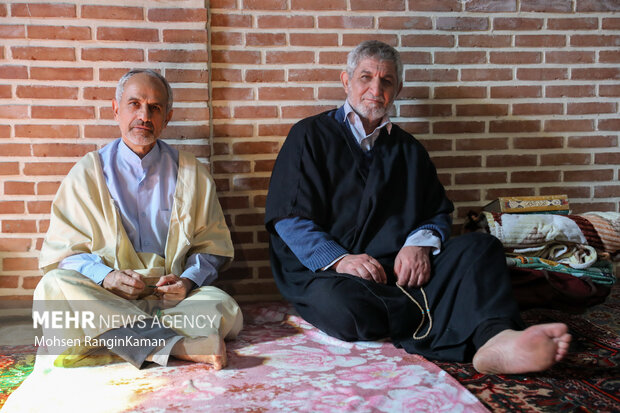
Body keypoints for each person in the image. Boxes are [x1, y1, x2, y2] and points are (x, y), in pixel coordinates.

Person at [265, 40, 571, 374]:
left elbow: (436, 211)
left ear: (398, 89)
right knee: (344, 309)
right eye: (365, 77)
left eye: (387, 81)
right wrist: (341, 260)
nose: (375, 89)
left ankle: (495, 339)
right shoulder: (309, 135)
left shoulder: (410, 150)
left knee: (482, 248)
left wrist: (419, 245)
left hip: (404, 271)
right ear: (346, 80)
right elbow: (290, 218)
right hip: (337, 274)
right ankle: (454, 311)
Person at [35, 69, 242, 370]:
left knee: (223, 306)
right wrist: (106, 277)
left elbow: (212, 248)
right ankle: (179, 345)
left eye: (154, 107)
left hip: (168, 303)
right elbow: (64, 255)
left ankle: (113, 343)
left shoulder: (191, 173)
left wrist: (187, 281)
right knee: (53, 287)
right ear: (116, 109)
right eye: (134, 104)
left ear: (166, 117)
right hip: (106, 296)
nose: (144, 115)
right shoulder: (87, 173)